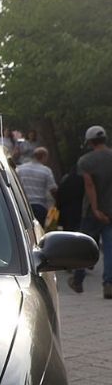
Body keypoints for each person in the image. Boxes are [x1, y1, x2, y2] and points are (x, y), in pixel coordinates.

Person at [73, 125, 112, 298]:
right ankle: (108, 283)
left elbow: (89, 185)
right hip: (111, 211)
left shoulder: (85, 161)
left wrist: (96, 209)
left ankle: (78, 280)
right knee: (110, 247)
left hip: (91, 212)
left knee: (84, 246)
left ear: (89, 142)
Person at [15, 146, 57, 227]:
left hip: (23, 205)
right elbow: (53, 190)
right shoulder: (46, 170)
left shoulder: (20, 168)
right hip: (40, 207)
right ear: (44, 156)